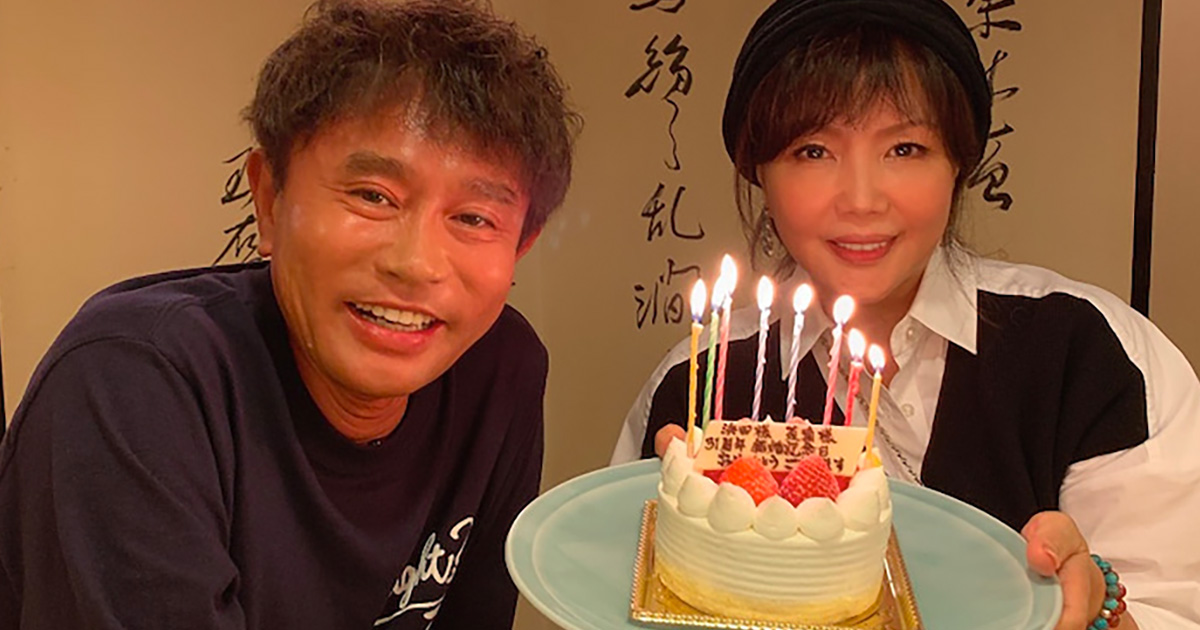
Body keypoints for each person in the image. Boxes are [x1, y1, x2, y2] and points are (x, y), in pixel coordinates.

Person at [610, 1, 1200, 628]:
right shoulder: (696, 383)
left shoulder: (1089, 355)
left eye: (905, 148)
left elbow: (1173, 602)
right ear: (760, 171)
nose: (862, 200)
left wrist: (1099, 609)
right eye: (813, 151)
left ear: (959, 161)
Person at [0, 1, 579, 628]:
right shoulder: (133, 381)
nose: (417, 265)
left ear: (521, 245)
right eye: (373, 196)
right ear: (270, 200)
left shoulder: (503, 368)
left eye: (473, 218)